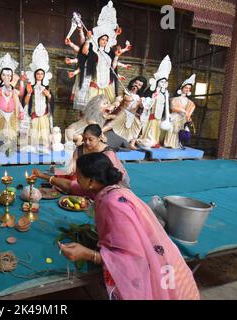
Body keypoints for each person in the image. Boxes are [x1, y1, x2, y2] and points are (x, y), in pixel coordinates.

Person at [58, 153, 200, 300]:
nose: (76, 177)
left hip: (155, 271)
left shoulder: (112, 205)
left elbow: (130, 260)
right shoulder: (113, 189)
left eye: (78, 175)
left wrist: (87, 254)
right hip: (166, 261)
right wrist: (49, 178)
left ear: (91, 181)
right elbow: (75, 186)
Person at [33, 124, 130, 192]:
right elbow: (72, 169)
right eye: (84, 139)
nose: (86, 142)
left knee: (71, 183)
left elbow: (113, 177)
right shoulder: (80, 149)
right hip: (84, 179)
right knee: (62, 174)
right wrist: (58, 171)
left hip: (102, 184)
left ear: (100, 138)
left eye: (90, 139)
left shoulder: (108, 154)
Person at [23, 44, 54, 153]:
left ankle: (44, 150)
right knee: (33, 138)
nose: (40, 75)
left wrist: (49, 96)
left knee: (45, 138)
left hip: (44, 116)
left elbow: (51, 102)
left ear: (44, 75)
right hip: (34, 115)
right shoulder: (30, 86)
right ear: (35, 74)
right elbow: (24, 103)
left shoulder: (47, 87)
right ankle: (33, 151)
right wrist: (28, 94)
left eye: (42, 74)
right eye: (38, 73)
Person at [163, 74, 196, 149]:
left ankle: (178, 144)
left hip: (183, 118)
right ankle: (169, 143)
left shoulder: (190, 102)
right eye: (186, 88)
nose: (187, 89)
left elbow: (189, 112)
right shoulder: (175, 99)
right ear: (181, 88)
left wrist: (188, 116)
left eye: (189, 88)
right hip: (175, 116)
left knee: (181, 131)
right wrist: (183, 110)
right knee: (172, 130)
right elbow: (174, 108)